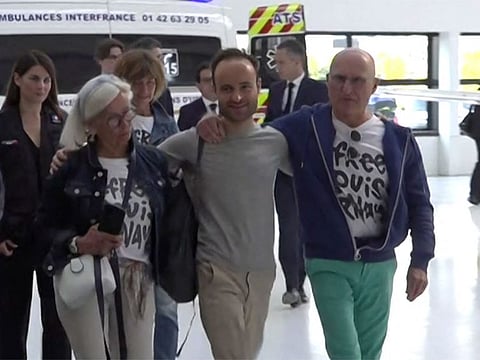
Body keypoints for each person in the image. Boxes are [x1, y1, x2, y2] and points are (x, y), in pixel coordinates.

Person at [199, 47, 435, 360]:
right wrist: (208, 119)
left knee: (370, 352)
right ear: (327, 82)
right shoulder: (305, 126)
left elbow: (420, 203)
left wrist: (420, 260)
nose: (346, 89)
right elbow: (251, 136)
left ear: (374, 85)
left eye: (357, 80)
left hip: (379, 262)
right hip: (328, 261)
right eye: (338, 79)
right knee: (345, 351)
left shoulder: (398, 139)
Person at [158, 48, 291, 359]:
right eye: (227, 89)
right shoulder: (196, 141)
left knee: (246, 352)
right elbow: (140, 164)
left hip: (261, 273)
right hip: (214, 268)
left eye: (245, 87)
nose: (237, 97)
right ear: (213, 90)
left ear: (259, 86)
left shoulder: (275, 142)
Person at [38, 74, 171, 359]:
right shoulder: (70, 167)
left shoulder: (153, 162)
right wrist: (77, 243)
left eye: (127, 114)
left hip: (137, 278)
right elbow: (41, 229)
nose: (125, 125)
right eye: (113, 120)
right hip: (86, 275)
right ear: (91, 125)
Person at [0, 50, 71, 359]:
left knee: (57, 320)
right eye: (33, 79)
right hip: (11, 237)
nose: (41, 86)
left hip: (54, 234)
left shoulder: (61, 121)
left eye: (46, 79)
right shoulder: (3, 124)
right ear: (17, 80)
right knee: (10, 321)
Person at [114, 49, 179, 360]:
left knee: (166, 307)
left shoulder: (168, 124)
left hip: (162, 228)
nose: (144, 89)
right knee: (127, 311)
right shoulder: (113, 121)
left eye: (150, 82)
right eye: (137, 82)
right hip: (124, 229)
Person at [264, 38, 329, 307]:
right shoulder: (277, 90)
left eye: (280, 63)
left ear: (297, 62)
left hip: (309, 171)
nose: (277, 68)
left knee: (306, 227)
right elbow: (270, 122)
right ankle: (292, 283)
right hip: (282, 171)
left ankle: (302, 281)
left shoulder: (317, 90)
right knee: (288, 227)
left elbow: (321, 124)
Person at [129, 37, 175, 118]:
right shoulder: (127, 90)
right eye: (156, 58)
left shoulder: (164, 91)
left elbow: (169, 121)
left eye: (161, 57)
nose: (161, 62)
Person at [177, 62, 217, 131]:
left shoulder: (231, 107)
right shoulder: (187, 112)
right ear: (198, 86)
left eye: (215, 79)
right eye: (207, 80)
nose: (212, 84)